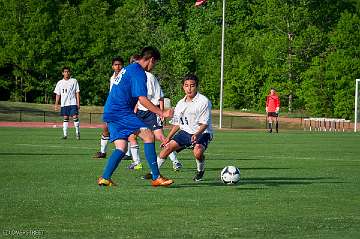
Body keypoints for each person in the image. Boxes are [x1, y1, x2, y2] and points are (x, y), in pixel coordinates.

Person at [97, 46, 174, 187]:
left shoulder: (129, 68)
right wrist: (162, 112)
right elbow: (142, 98)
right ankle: (156, 177)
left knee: (121, 147)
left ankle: (105, 177)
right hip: (121, 111)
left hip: (111, 111)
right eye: (154, 63)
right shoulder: (139, 73)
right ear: (151, 59)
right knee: (148, 136)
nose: (153, 66)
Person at [149, 74, 213, 182]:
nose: (189, 88)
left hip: (202, 132)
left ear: (196, 86)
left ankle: (200, 171)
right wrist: (168, 138)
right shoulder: (180, 103)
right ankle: (153, 173)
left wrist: (196, 134)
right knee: (167, 148)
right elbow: (178, 123)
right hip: (185, 132)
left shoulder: (204, 101)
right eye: (186, 85)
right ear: (183, 87)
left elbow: (205, 124)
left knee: (197, 152)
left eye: (192, 86)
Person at [127, 55, 182, 171]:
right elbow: (139, 97)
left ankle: (175, 161)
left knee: (160, 137)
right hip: (140, 112)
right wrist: (135, 109)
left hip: (152, 112)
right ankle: (137, 162)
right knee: (131, 135)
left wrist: (161, 112)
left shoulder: (150, 77)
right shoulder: (134, 77)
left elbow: (160, 96)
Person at [93, 57, 132, 160]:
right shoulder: (112, 78)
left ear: (123, 66)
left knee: (126, 129)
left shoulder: (126, 77)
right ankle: (102, 152)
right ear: (112, 66)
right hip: (113, 106)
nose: (117, 66)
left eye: (119, 64)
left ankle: (127, 153)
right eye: (115, 64)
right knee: (105, 127)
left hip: (123, 107)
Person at [54, 67, 80, 140]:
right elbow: (58, 94)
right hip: (64, 103)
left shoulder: (74, 81)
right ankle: (65, 135)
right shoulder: (59, 82)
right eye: (65, 72)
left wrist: (78, 103)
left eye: (68, 72)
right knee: (65, 118)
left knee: (75, 117)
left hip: (73, 102)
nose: (66, 73)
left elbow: (77, 92)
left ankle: (77, 133)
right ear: (62, 73)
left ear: (70, 73)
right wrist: (56, 104)